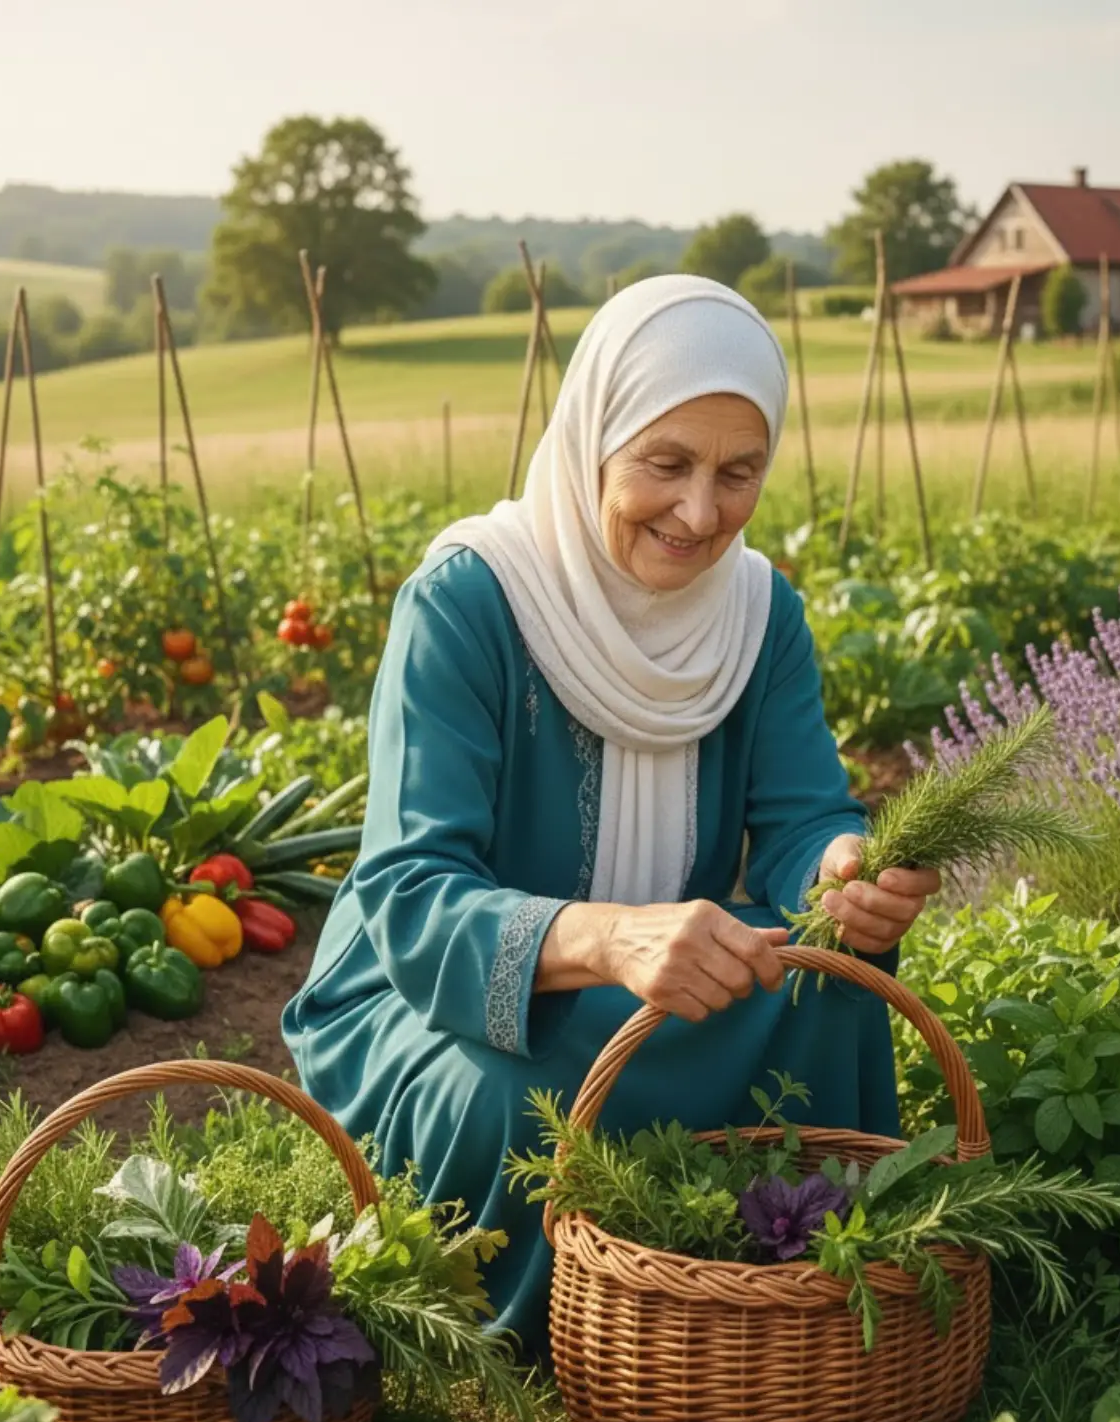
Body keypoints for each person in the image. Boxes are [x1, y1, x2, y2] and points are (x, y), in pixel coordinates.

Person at [282, 274, 941, 1354]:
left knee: (838, 995)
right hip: (447, 987)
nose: (701, 513)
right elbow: (409, 894)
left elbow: (798, 816)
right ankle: (588, 1340)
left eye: (739, 472)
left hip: (662, 966)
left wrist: (838, 867)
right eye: (665, 463)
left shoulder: (761, 612)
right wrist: (604, 935)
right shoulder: (467, 601)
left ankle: (792, 1289)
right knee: (533, 1097)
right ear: (594, 436)